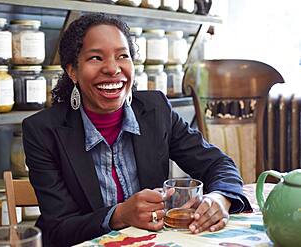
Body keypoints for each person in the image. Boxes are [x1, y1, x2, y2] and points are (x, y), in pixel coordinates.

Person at [22, 13, 251, 246]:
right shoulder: (42, 131)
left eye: (123, 55)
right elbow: (59, 229)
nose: (112, 69)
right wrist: (119, 215)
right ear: (72, 71)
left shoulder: (156, 110)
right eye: (95, 58)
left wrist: (219, 198)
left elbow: (218, 164)